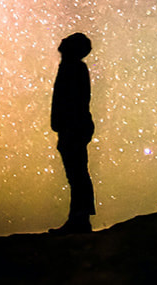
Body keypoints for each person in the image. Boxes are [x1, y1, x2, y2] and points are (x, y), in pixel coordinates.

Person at [50, 32, 95, 234]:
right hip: (72, 126)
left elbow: (74, 101)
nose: (61, 42)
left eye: (66, 41)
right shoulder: (72, 67)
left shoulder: (74, 68)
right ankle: (78, 218)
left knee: (77, 174)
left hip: (74, 127)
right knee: (76, 173)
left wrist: (67, 126)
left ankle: (80, 219)